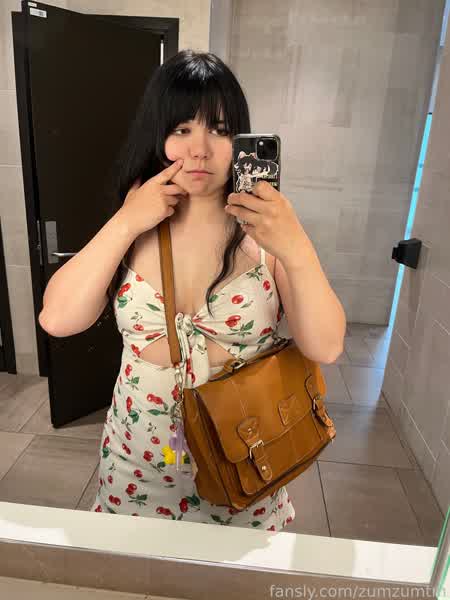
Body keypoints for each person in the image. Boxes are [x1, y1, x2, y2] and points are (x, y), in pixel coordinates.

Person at [40, 49, 296, 529]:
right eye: (181, 129)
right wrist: (126, 221)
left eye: (219, 129)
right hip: (137, 469)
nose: (199, 150)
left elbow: (326, 344)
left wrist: (294, 242)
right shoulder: (133, 224)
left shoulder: (266, 233)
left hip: (245, 469)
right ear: (157, 135)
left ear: (239, 140)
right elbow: (57, 319)